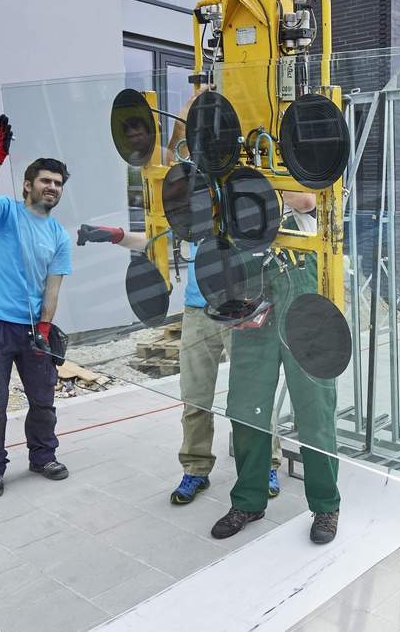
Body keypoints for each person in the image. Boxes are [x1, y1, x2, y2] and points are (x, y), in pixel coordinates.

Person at [77, 88, 284, 504]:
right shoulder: (187, 184)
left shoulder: (243, 181)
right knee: (195, 396)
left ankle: (267, 465)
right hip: (198, 306)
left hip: (242, 304)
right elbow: (156, 226)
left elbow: (295, 203)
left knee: (252, 397)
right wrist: (194, 103)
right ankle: (195, 469)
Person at [210, 192, 342, 545]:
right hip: (257, 311)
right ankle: (248, 502)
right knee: (247, 408)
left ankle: (326, 505)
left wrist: (258, 187)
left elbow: (306, 199)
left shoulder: (306, 166)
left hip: (307, 312)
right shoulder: (242, 180)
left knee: (315, 413)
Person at [0, 115, 73, 499]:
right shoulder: (7, 213)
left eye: (58, 183)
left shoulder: (59, 235)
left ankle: (43, 456)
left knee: (43, 400)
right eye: (46, 180)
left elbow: (52, 288)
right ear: (28, 185)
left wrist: (45, 328)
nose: (52, 187)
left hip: (33, 332)